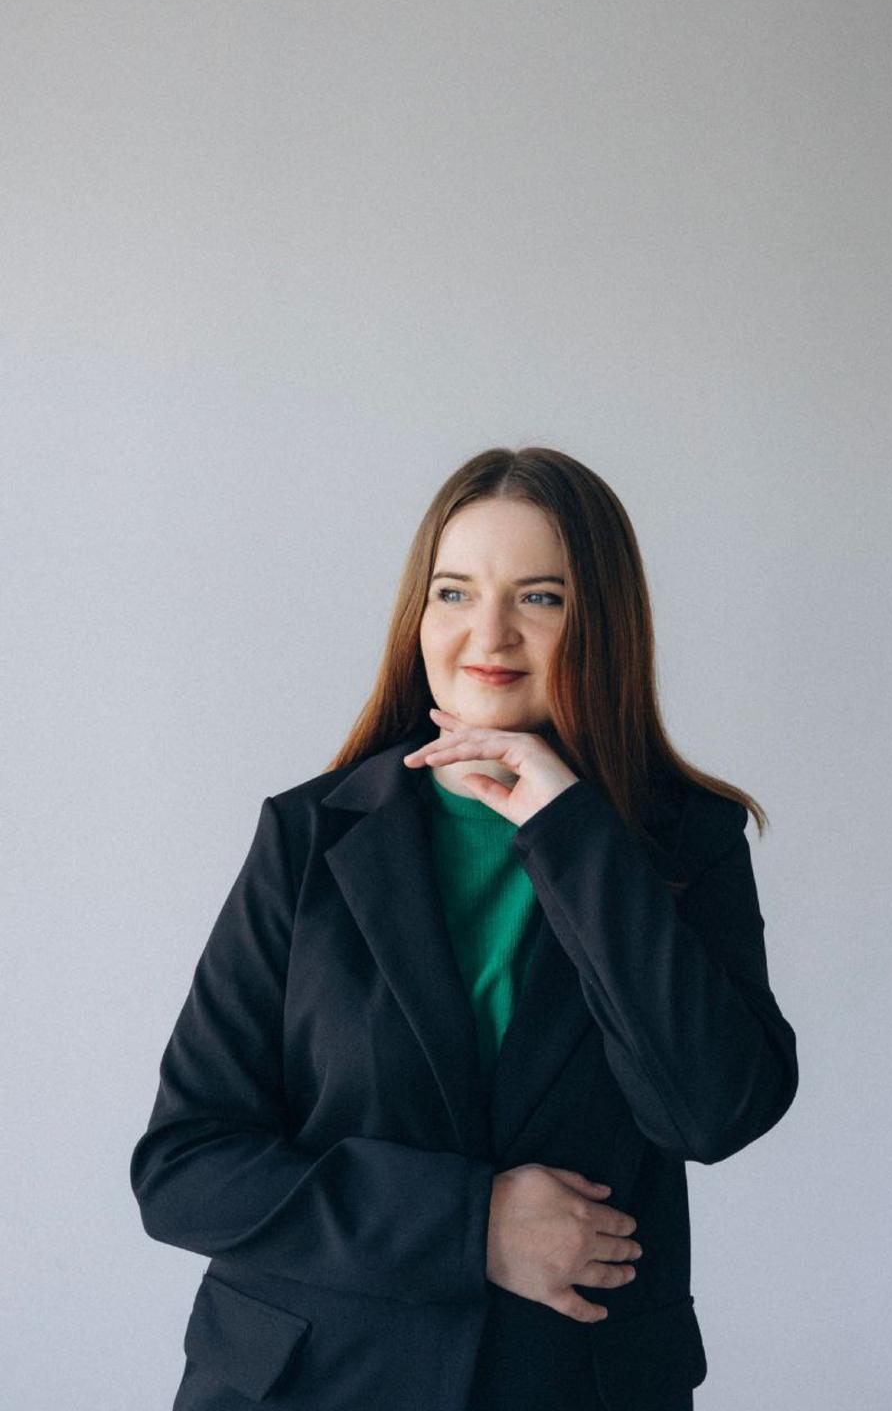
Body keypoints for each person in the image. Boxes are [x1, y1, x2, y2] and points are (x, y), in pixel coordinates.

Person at [129, 444, 799, 1411]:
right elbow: (185, 1168)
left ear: (602, 622)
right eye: (454, 593)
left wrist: (574, 835)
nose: (489, 634)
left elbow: (713, 1114)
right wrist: (469, 1224)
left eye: (540, 597)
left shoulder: (683, 842)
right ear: (419, 614)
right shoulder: (310, 835)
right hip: (314, 1384)